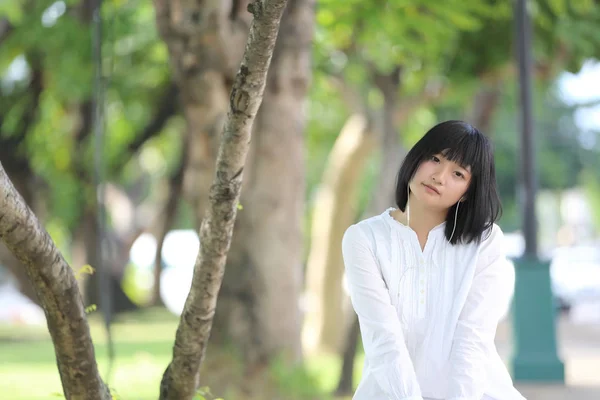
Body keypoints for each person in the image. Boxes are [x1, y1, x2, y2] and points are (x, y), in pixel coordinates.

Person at [342, 120, 526, 400]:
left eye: (458, 174)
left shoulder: (484, 241)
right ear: (416, 158)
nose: (439, 176)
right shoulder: (364, 239)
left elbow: (472, 338)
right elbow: (383, 340)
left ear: (468, 193)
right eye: (435, 159)